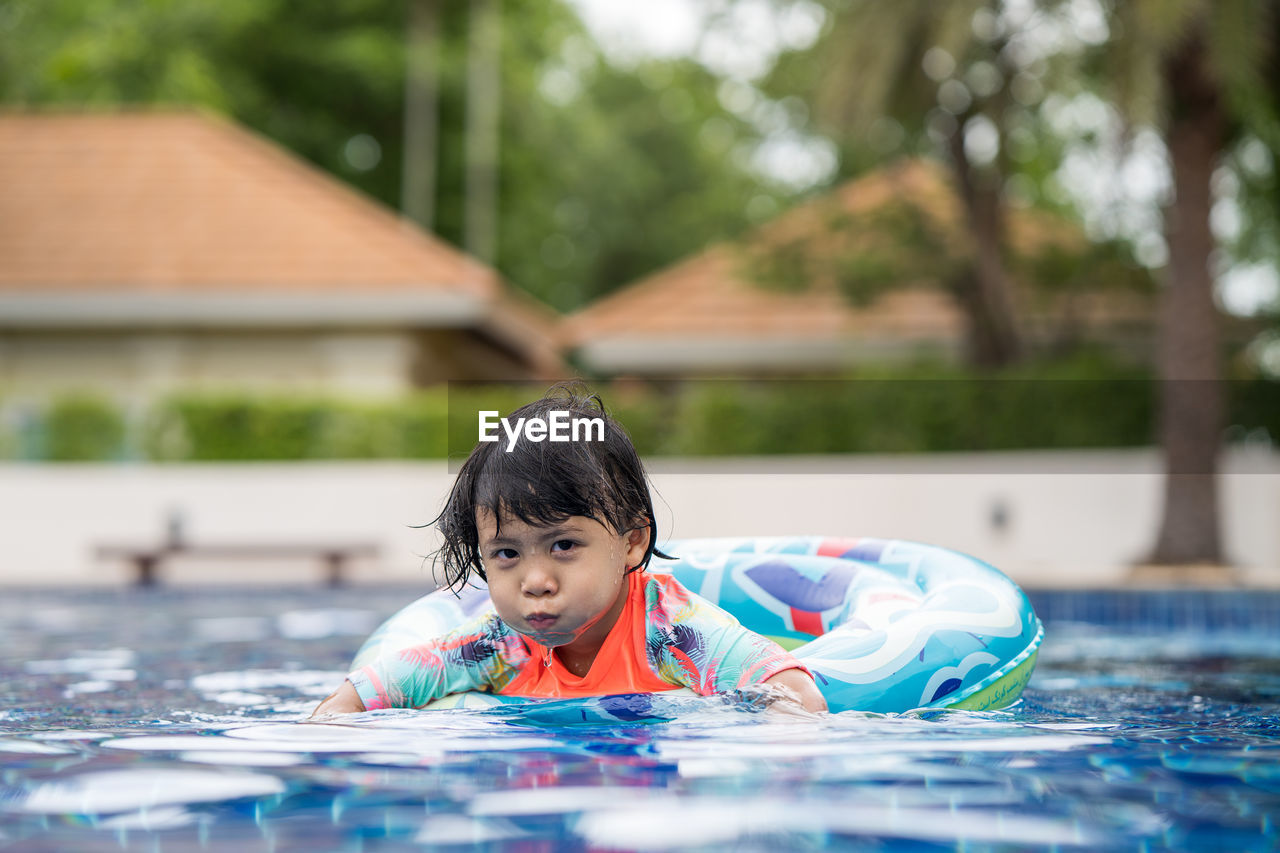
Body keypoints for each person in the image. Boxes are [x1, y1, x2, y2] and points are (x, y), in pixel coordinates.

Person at [311, 386, 827, 717]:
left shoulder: (672, 631)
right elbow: (378, 686)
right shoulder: (498, 643)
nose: (535, 580)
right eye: (507, 554)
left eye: (563, 545)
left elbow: (791, 692)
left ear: (632, 542)